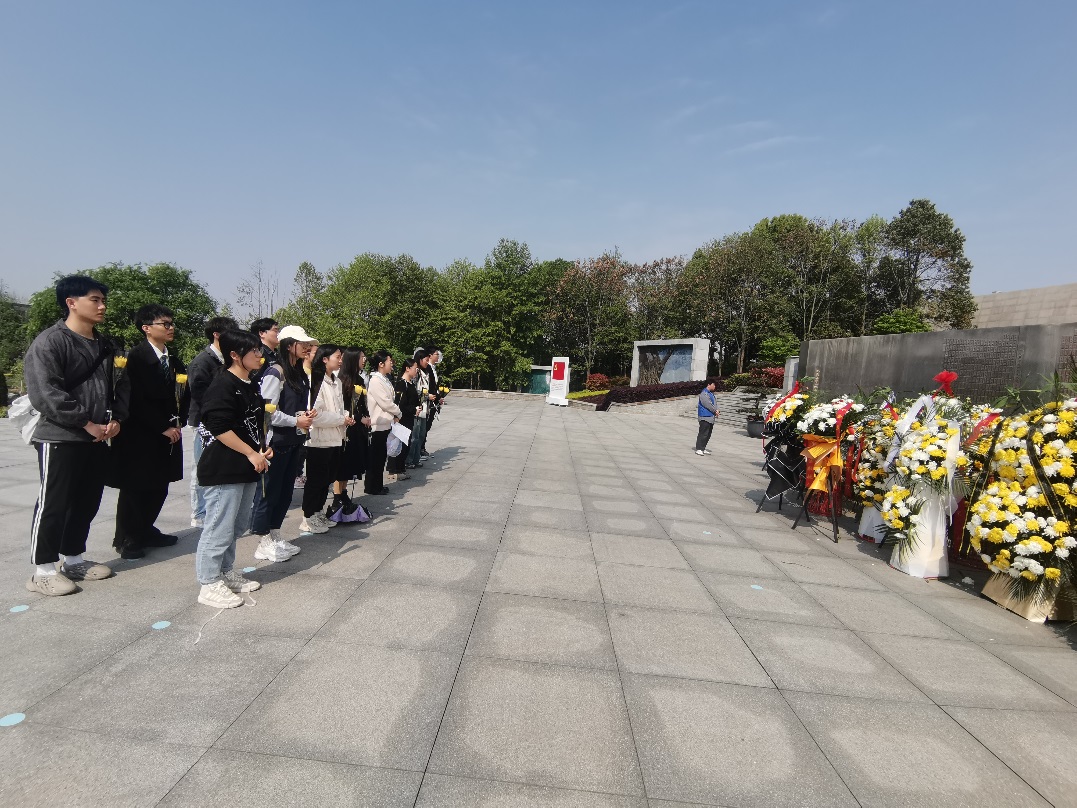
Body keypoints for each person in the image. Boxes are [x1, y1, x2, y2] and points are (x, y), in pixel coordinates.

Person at [24, 275, 129, 596]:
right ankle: (43, 570)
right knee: (54, 502)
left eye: (103, 300)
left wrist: (117, 418)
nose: (102, 306)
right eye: (95, 300)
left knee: (87, 501)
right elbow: (46, 393)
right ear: (71, 303)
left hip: (97, 437)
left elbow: (121, 384)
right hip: (60, 436)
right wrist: (85, 422)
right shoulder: (51, 342)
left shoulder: (106, 344)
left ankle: (73, 559)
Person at [194, 329, 271, 608]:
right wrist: (250, 452)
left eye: (259, 350)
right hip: (224, 468)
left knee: (236, 526)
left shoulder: (250, 383)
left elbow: (252, 424)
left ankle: (226, 572)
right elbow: (219, 427)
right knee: (219, 527)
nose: (260, 355)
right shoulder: (223, 384)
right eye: (255, 351)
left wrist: (262, 449)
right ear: (235, 355)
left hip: (247, 465)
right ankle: (208, 582)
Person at [109, 304, 189, 559]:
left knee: (159, 485)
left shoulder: (172, 361)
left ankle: (146, 529)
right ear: (146, 328)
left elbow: (183, 395)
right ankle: (127, 538)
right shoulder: (135, 359)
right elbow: (134, 400)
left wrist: (179, 421)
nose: (171, 328)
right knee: (136, 487)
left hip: (168, 433)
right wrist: (161, 427)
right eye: (165, 324)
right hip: (140, 435)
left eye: (171, 323)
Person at [249, 334, 312, 562]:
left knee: (285, 492)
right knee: (269, 492)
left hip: (293, 440)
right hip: (276, 442)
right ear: (289, 345)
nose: (307, 348)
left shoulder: (298, 373)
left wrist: (305, 416)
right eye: (303, 344)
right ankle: (262, 539)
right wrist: (296, 421)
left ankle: (274, 533)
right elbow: (268, 412)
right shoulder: (276, 372)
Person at [187, 316, 237, 527]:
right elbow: (200, 395)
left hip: (221, 422)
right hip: (205, 422)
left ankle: (212, 509)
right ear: (216, 335)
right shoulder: (202, 361)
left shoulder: (225, 359)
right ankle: (199, 513)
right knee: (201, 468)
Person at [300, 344, 353, 533]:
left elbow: (338, 408)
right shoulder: (315, 380)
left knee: (327, 480)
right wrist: (340, 419)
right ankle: (307, 517)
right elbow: (315, 415)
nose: (340, 360)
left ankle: (318, 512)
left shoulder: (336, 381)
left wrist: (345, 417)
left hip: (335, 437)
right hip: (319, 440)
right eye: (337, 356)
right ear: (324, 359)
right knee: (316, 480)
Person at [330, 347, 370, 517]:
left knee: (351, 464)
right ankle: (337, 496)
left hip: (357, 429)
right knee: (342, 464)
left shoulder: (359, 379)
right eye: (361, 357)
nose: (364, 360)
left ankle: (344, 493)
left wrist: (365, 416)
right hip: (346, 427)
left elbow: (361, 403)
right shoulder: (343, 379)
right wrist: (359, 417)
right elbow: (343, 406)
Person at [365, 351, 400, 495]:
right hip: (377, 424)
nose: (392, 364)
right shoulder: (375, 380)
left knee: (380, 457)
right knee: (376, 458)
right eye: (389, 361)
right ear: (381, 364)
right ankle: (372, 487)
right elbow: (385, 402)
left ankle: (378, 485)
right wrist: (398, 412)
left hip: (385, 422)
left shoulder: (384, 379)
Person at [387, 358, 419, 482]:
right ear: (407, 368)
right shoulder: (401, 384)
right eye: (415, 368)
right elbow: (400, 404)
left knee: (405, 444)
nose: (416, 370)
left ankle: (400, 468)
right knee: (398, 444)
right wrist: (413, 409)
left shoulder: (411, 383)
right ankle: (394, 470)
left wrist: (416, 408)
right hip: (402, 418)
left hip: (409, 418)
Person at [406, 350, 434, 469]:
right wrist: (427, 396)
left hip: (424, 408)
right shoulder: (416, 374)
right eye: (426, 360)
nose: (427, 362)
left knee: (421, 435)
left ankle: (416, 459)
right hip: (417, 408)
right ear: (420, 359)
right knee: (414, 436)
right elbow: (413, 391)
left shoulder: (426, 373)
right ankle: (409, 460)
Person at [249, 317, 279, 384]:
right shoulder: (258, 354)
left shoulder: (277, 354)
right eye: (275, 330)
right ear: (261, 333)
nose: (278, 334)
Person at [695, 380, 720, 456]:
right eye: (713, 385)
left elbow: (715, 403)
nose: (714, 386)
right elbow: (708, 404)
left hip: (711, 417)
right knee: (703, 433)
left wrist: (717, 410)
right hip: (705, 416)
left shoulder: (711, 394)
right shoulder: (704, 394)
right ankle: (699, 448)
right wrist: (715, 411)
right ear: (708, 385)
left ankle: (703, 448)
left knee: (708, 434)